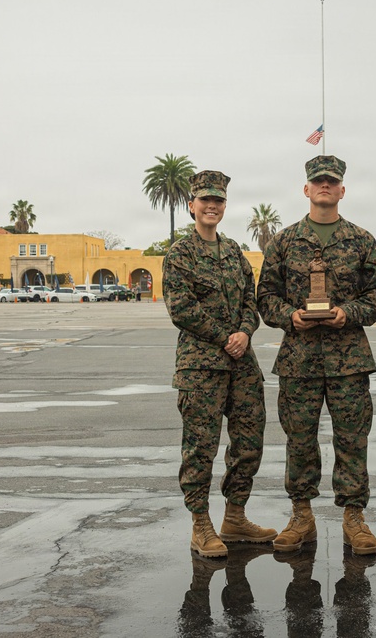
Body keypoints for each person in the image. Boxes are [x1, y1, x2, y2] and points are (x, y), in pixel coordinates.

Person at [257, 155, 376, 556]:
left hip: (349, 359)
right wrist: (290, 316)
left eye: (332, 181)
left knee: (352, 439)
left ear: (342, 190)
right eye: (318, 182)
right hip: (299, 358)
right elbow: (265, 296)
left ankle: (354, 517)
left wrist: (351, 313)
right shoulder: (283, 241)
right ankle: (301, 515)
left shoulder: (363, 241)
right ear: (307, 189)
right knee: (299, 440)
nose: (325, 187)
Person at [162, 169, 276, 558]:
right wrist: (223, 336)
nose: (212, 206)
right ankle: (200, 524)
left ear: (224, 206)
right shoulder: (180, 254)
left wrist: (244, 332)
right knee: (201, 447)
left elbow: (251, 300)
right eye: (205, 201)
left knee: (249, 442)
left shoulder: (233, 253)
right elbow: (180, 308)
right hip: (201, 366)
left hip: (242, 363)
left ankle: (236, 517)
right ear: (191, 205)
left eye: (219, 201)